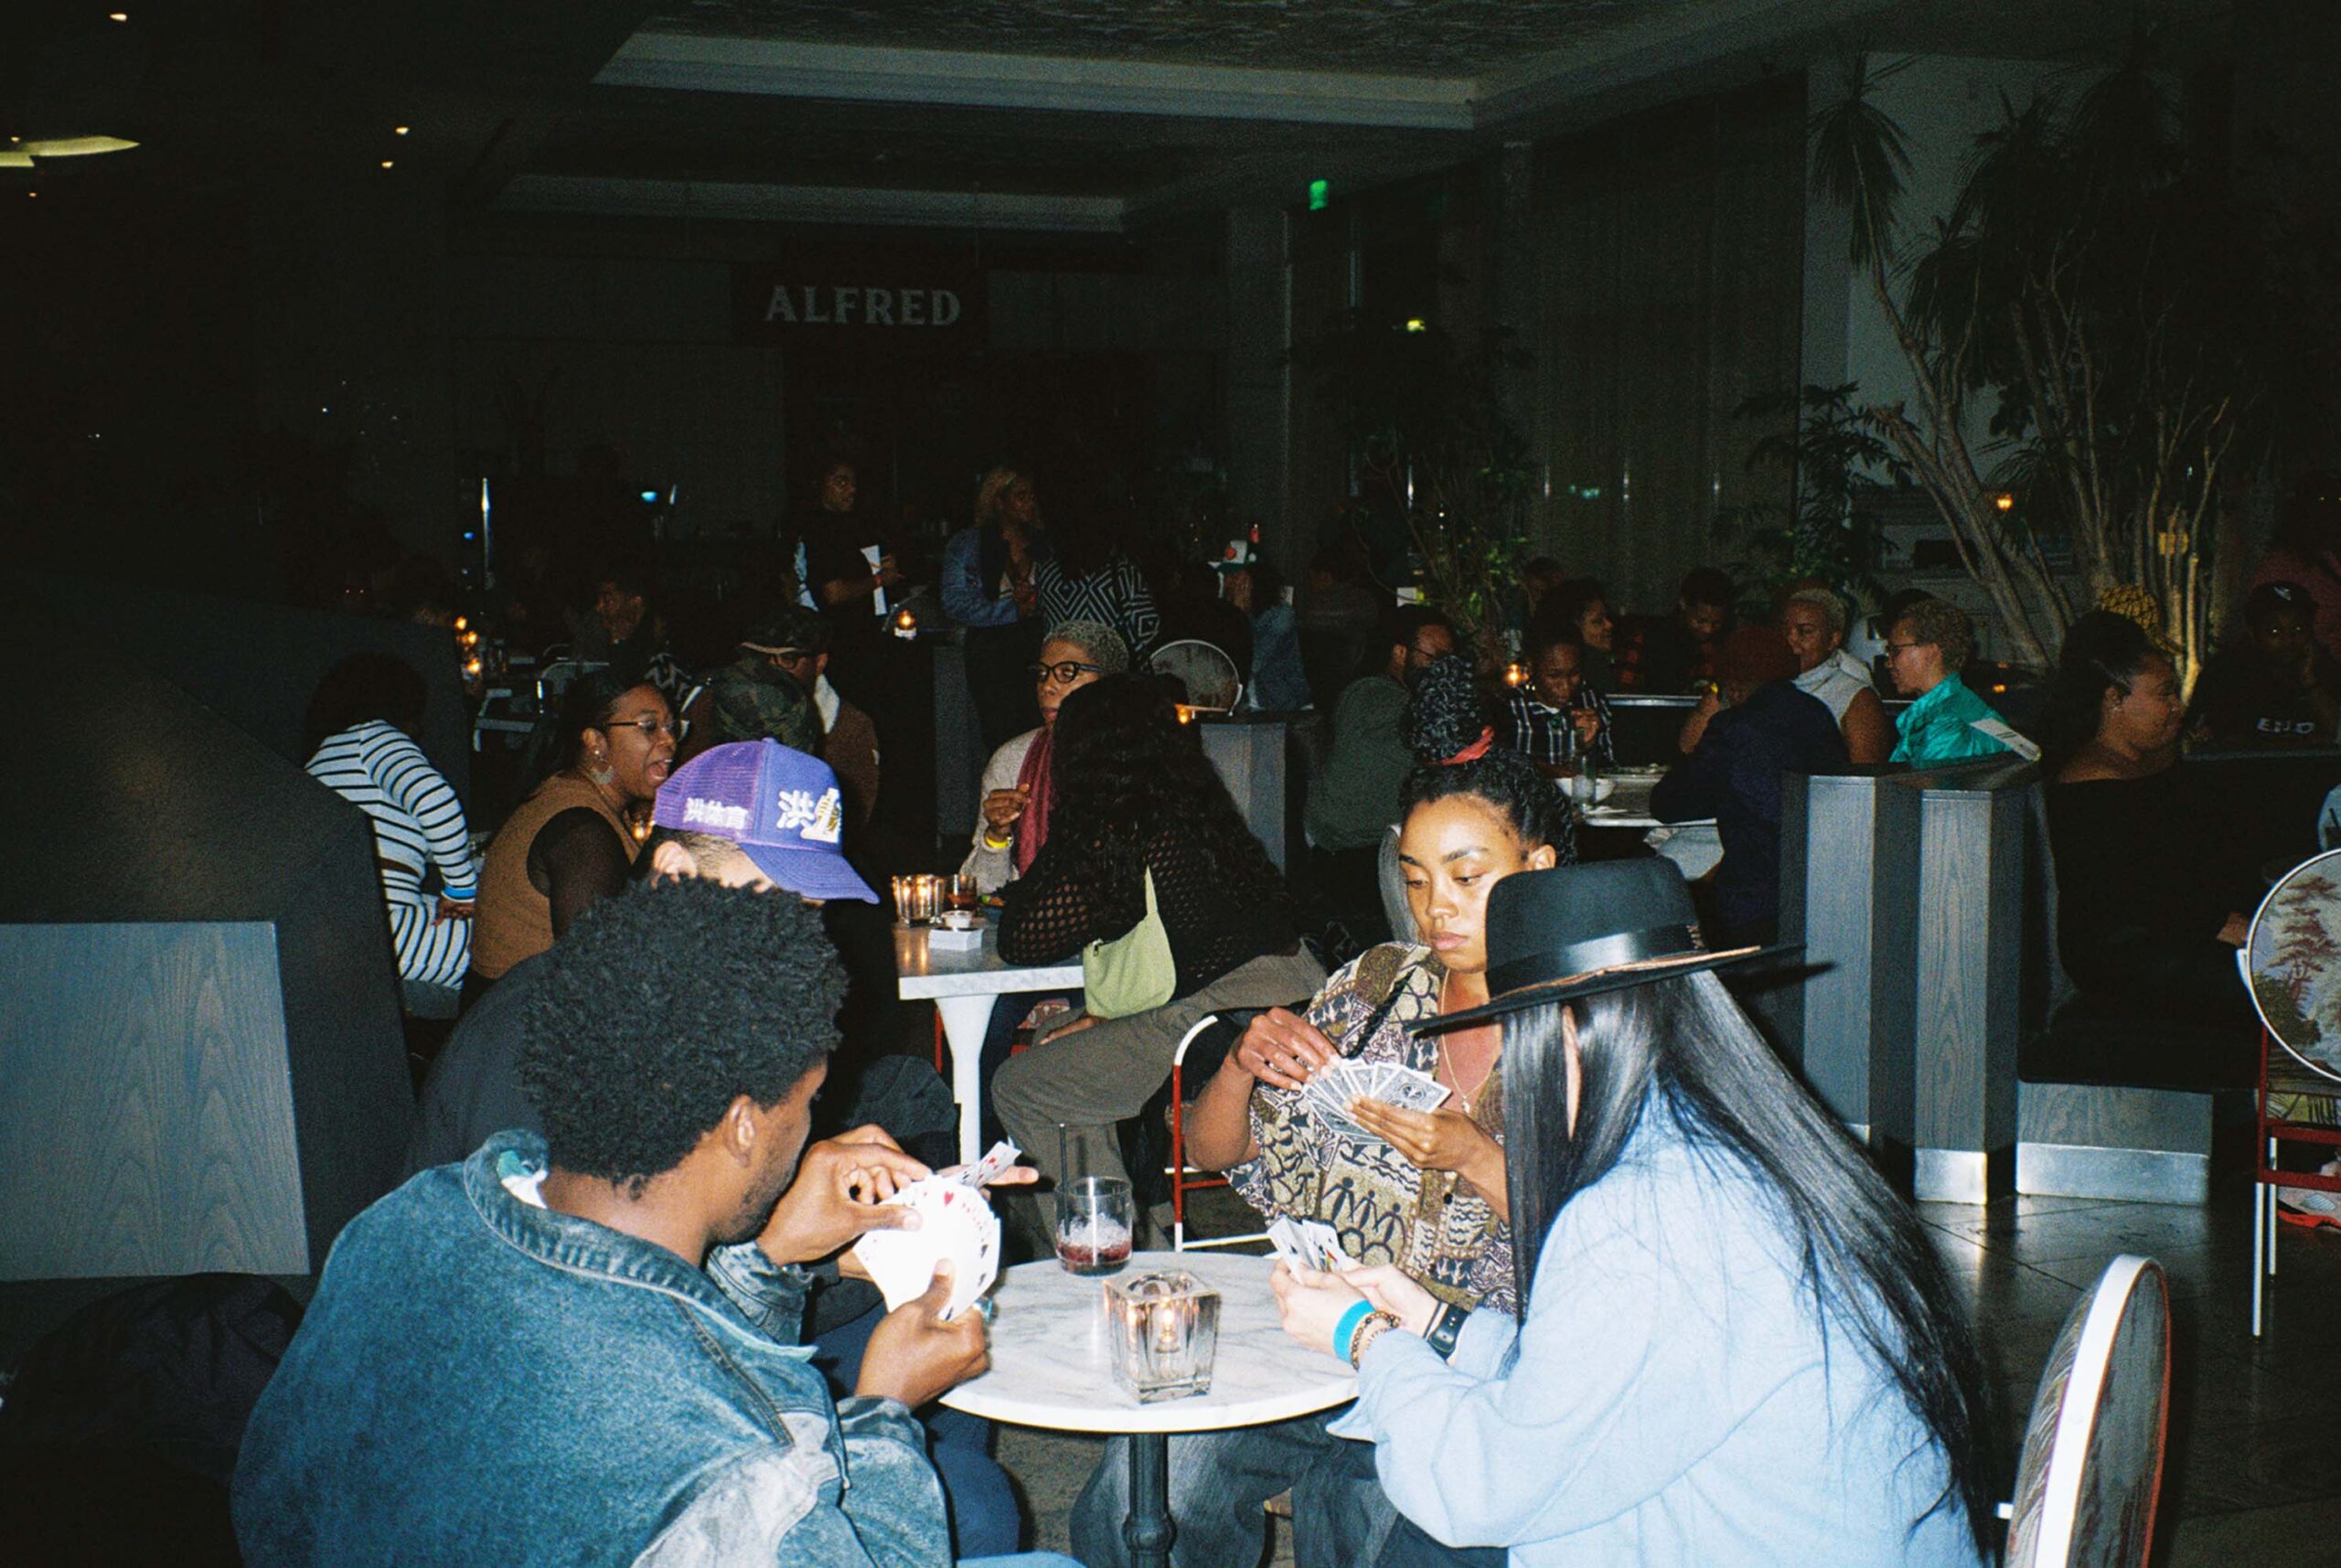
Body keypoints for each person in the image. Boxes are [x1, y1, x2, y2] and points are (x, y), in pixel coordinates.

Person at [236, 875, 1070, 1568]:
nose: (813, 1130)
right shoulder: (708, 1464)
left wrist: (772, 1261)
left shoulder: (403, 1223)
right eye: (808, 1103)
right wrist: (888, 1406)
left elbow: (269, 1502)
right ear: (743, 1124)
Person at [1270, 859, 1995, 1568]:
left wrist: (1362, 1337)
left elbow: (1476, 1490)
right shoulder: (1736, 1143)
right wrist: (1431, 1321)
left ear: (1562, 1032)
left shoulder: (1637, 1212)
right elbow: (1602, 1384)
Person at [1069, 656, 1565, 1568]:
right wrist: (1242, 1070)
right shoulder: (1377, 987)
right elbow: (1214, 1151)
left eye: (1467, 876)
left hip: (1458, 1364)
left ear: (1539, 864)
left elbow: (1617, 1261)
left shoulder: (1585, 1036)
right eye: (1415, 877)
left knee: (1363, 1520)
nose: (1436, 909)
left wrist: (1475, 1156)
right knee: (1133, 1503)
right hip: (1311, 1341)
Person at [990, 674, 1326, 1218]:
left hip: (1225, 1021)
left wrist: (1065, 823)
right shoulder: (1192, 805)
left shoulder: (1118, 826)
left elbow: (1021, 939)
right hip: (1284, 989)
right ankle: (1122, 1220)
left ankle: (1102, 1241)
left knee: (1023, 1084)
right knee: (1057, 1041)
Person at [2038, 612, 2257, 1038]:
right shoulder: (2090, 783)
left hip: (2172, 932)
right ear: (2115, 700)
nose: (2177, 706)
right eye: (2165, 694)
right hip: (2126, 954)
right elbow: (2125, 895)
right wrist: (2217, 922)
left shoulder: (2147, 762)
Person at [469, 671, 672, 992]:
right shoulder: (582, 834)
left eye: (670, 727)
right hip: (519, 1028)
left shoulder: (569, 792)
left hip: (518, 1012)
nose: (669, 741)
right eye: (649, 727)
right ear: (596, 742)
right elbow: (593, 979)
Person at [1652, 626, 1848, 946]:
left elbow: (1667, 804)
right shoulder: (1816, 715)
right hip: (1819, 886)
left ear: (1734, 685)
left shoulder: (1733, 728)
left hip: (1753, 900)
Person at [303, 653, 476, 990]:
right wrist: (461, 888)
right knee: (516, 934)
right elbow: (434, 800)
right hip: (386, 936)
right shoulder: (373, 737)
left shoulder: (320, 760)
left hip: (339, 939)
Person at [1306, 605, 1458, 946]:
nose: (1443, 670)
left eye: (1451, 660)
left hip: (1369, 851)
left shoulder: (1403, 701)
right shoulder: (1371, 695)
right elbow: (1409, 726)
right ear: (1400, 653)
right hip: (1353, 858)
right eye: (1435, 657)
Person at [959, 620, 1130, 896]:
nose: (1048, 686)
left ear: (1109, 683)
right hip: (1031, 927)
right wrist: (996, 837)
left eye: (1067, 672)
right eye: (1042, 674)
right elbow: (979, 890)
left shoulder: (1136, 760)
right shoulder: (1012, 759)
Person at [942, 465, 1049, 752]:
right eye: (1021, 496)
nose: (1030, 503)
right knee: (1002, 736)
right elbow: (954, 602)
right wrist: (1011, 610)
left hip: (1040, 644)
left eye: (1032, 496)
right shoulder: (967, 544)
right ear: (999, 502)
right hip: (993, 649)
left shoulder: (1045, 544)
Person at [2186, 580, 2341, 748]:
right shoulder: (2225, 673)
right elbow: (2227, 741)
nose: (2288, 640)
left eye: (2298, 629)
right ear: (2254, 634)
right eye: (2275, 631)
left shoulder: (2326, 669)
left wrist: (2310, 683)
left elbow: (2336, 734)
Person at [1885, 598, 2016, 764]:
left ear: (1931, 651)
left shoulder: (1949, 725)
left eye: (1895, 651)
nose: (1889, 662)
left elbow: (1924, 787)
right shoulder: (1953, 709)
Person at [1033, 485, 1159, 659]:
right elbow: (1147, 632)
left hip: (1061, 669)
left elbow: (1042, 618)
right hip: (1108, 677)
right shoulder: (1122, 573)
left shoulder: (1046, 570)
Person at [1780, 586, 1894, 763]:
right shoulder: (1766, 684)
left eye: (1805, 631)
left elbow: (1864, 782)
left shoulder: (1858, 700)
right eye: (1785, 630)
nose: (1791, 639)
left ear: (1833, 639)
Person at [1499, 623, 1614, 778]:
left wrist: (1589, 745)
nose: (1566, 686)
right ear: (1532, 667)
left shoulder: (1591, 701)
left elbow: (1609, 770)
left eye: (1573, 674)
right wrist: (1546, 770)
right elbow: (1500, 766)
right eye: (1554, 676)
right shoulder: (1509, 708)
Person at [2250, 470, 2341, 662]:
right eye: (2322, 501)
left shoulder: (2329, 556)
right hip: (2308, 669)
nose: (2332, 509)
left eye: (2338, 500)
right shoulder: (2282, 566)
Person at [1620, 567, 1733, 693]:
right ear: (1683, 603)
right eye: (1701, 621)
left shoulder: (1722, 644)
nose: (1708, 630)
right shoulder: (1645, 640)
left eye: (1716, 623)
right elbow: (1625, 695)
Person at [1226, 558, 1312, 711]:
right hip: (1250, 701)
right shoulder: (1245, 614)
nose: (1234, 587)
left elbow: (1253, 660)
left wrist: (1239, 614)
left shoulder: (1281, 616)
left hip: (1281, 700)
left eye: (1241, 583)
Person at [1532, 577, 1617, 691]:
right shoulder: (1592, 662)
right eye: (1597, 621)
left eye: (1607, 618)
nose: (1609, 625)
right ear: (1573, 628)